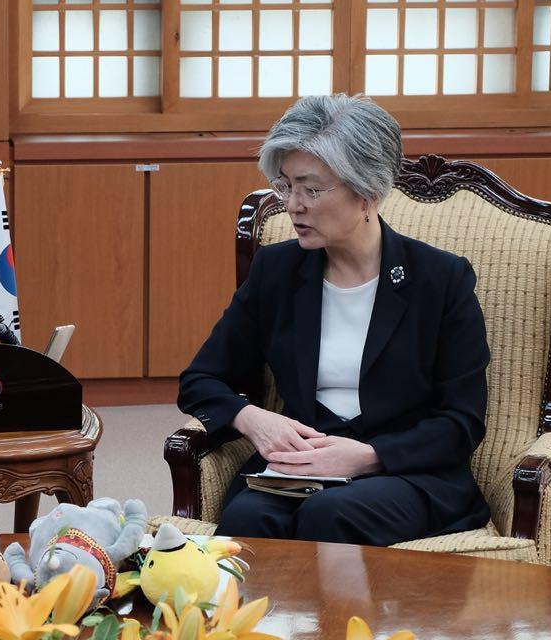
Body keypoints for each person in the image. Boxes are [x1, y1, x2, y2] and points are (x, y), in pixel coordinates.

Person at [178, 94, 492, 545]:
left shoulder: (441, 279)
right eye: (285, 185)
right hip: (301, 465)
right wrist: (254, 420)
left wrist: (367, 456)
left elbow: (462, 421)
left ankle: (344, 621)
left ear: (366, 192)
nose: (292, 205)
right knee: (249, 519)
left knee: (332, 514)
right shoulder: (277, 271)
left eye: (311, 188)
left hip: (406, 472)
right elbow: (201, 379)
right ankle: (250, 620)